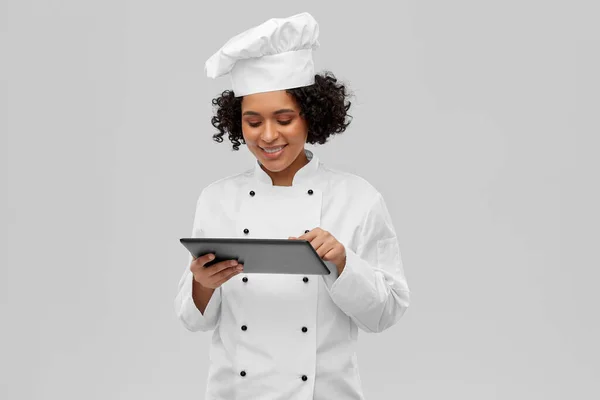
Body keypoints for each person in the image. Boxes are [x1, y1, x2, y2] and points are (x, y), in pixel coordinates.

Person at [174, 12, 410, 400]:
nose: (268, 136)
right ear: (237, 123)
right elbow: (191, 319)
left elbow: (386, 313)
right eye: (253, 122)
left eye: (284, 119)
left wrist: (344, 263)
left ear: (310, 117)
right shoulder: (216, 199)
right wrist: (202, 283)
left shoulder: (358, 198)